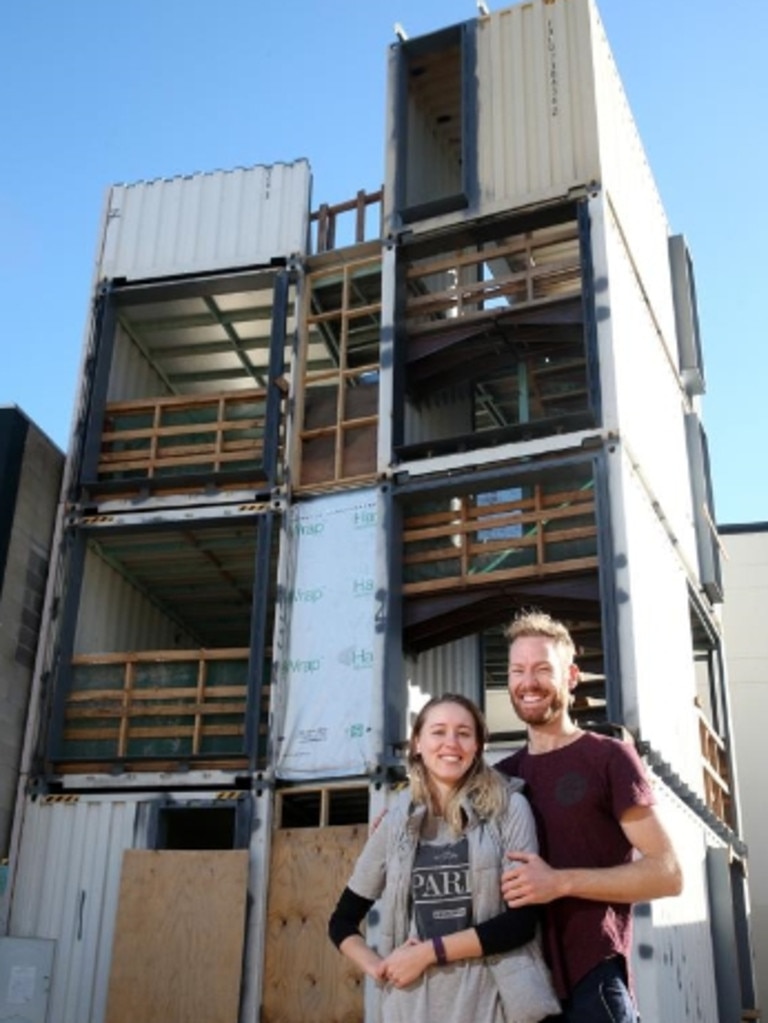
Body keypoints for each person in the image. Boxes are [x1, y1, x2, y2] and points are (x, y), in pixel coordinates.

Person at [496, 611, 683, 1023]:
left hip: (592, 979)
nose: (529, 683)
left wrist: (559, 882)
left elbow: (667, 874)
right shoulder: (501, 778)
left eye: (544, 669)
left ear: (572, 676)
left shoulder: (608, 757)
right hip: (520, 986)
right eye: (517, 671)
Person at [328, 693, 561, 1023]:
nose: (451, 742)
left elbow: (520, 924)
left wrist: (427, 953)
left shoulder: (509, 810)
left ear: (478, 746)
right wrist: (380, 967)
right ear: (418, 743)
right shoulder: (396, 823)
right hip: (410, 1008)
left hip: (490, 1004)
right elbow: (341, 921)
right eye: (438, 731)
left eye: (464, 733)